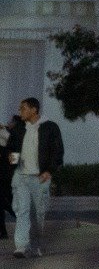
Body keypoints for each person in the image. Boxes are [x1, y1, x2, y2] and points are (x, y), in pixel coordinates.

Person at [8, 96, 63, 258]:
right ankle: (21, 246)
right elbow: (11, 148)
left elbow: (57, 151)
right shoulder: (19, 128)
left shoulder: (50, 128)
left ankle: (37, 244)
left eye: (23, 108)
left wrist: (49, 171)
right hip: (21, 176)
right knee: (22, 211)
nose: (20, 111)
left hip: (40, 177)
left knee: (39, 213)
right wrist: (12, 159)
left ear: (34, 110)